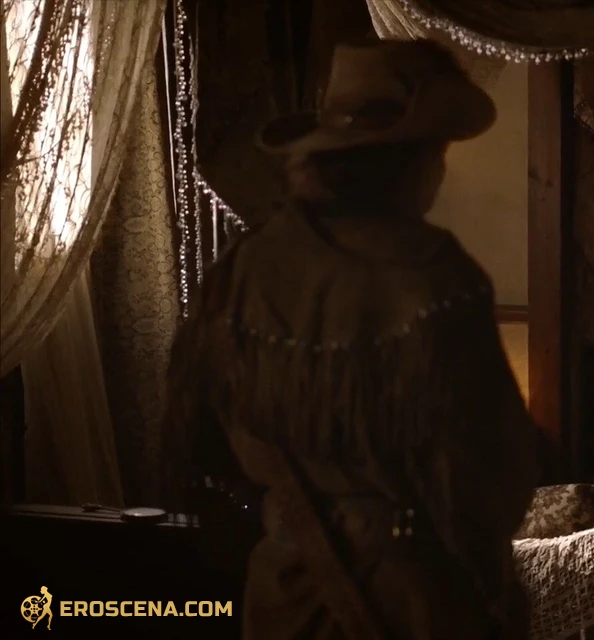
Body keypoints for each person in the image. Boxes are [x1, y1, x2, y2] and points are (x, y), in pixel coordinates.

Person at [162, 39, 539, 640]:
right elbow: (485, 475)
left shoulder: (244, 266)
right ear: (409, 161)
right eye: (437, 152)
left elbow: (200, 439)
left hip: (283, 587)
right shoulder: (433, 276)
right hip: (407, 598)